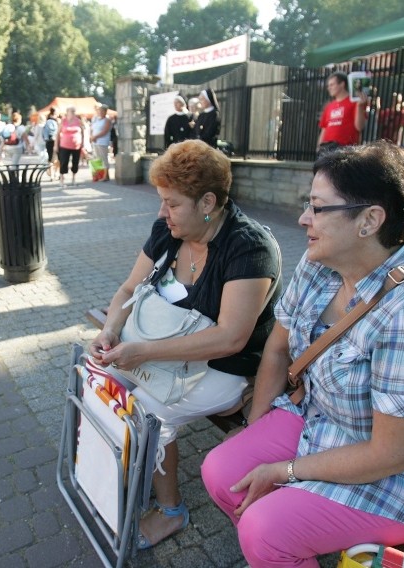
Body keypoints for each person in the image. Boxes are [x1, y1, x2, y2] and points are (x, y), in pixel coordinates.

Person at [201, 141, 404, 568]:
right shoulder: (321, 262)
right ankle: (285, 544)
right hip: (322, 419)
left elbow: (394, 454)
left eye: (317, 207)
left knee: (264, 530)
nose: (303, 219)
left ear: (369, 220)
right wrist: (254, 429)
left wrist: (285, 471)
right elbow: (277, 349)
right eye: (306, 204)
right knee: (222, 473)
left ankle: (280, 542)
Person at [90, 139, 281, 550]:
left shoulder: (248, 246)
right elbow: (127, 289)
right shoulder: (169, 231)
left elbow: (231, 338)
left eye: (172, 203)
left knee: (148, 415)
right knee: (104, 386)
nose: (161, 212)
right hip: (166, 351)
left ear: (207, 201)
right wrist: (112, 327)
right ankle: (110, 477)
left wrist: (140, 352)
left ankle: (171, 511)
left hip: (226, 370)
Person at [316, 71, 368, 156]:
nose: (329, 88)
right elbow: (324, 129)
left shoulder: (355, 102)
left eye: (332, 85)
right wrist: (318, 147)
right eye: (328, 85)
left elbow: (359, 127)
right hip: (326, 148)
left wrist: (359, 106)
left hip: (345, 149)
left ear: (342, 84)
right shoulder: (329, 106)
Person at [56, 106, 84, 187]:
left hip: (76, 146)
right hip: (64, 145)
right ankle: (62, 180)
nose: (72, 113)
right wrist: (56, 145)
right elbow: (58, 133)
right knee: (64, 162)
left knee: (75, 162)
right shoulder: (63, 121)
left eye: (73, 111)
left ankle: (73, 179)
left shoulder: (78, 121)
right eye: (71, 111)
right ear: (67, 112)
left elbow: (82, 133)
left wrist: (82, 143)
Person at [90, 104, 112, 181]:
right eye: (100, 111)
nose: (100, 112)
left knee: (103, 158)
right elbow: (92, 129)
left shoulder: (107, 120)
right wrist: (92, 137)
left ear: (105, 112)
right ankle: (100, 175)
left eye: (102, 111)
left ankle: (105, 176)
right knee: (97, 158)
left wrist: (95, 137)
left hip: (102, 142)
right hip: (95, 142)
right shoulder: (96, 119)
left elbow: (104, 131)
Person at [43, 108, 59, 180]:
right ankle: (55, 174)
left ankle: (52, 174)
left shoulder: (47, 121)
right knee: (57, 158)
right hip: (55, 141)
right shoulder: (53, 121)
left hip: (49, 141)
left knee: (51, 159)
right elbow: (54, 132)